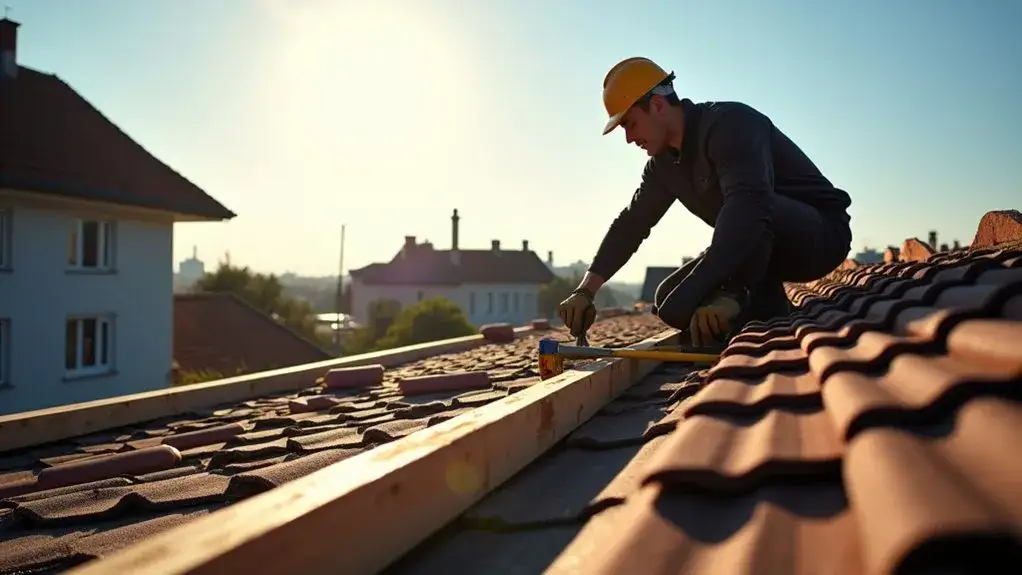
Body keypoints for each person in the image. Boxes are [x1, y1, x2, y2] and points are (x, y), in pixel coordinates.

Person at [557, 57, 853, 347]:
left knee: (750, 206)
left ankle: (744, 297)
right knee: (670, 302)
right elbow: (632, 224)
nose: (629, 139)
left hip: (819, 236)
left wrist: (730, 292)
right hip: (759, 246)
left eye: (631, 125)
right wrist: (586, 292)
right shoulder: (663, 165)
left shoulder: (731, 124)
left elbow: (748, 208)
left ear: (658, 106)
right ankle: (766, 307)